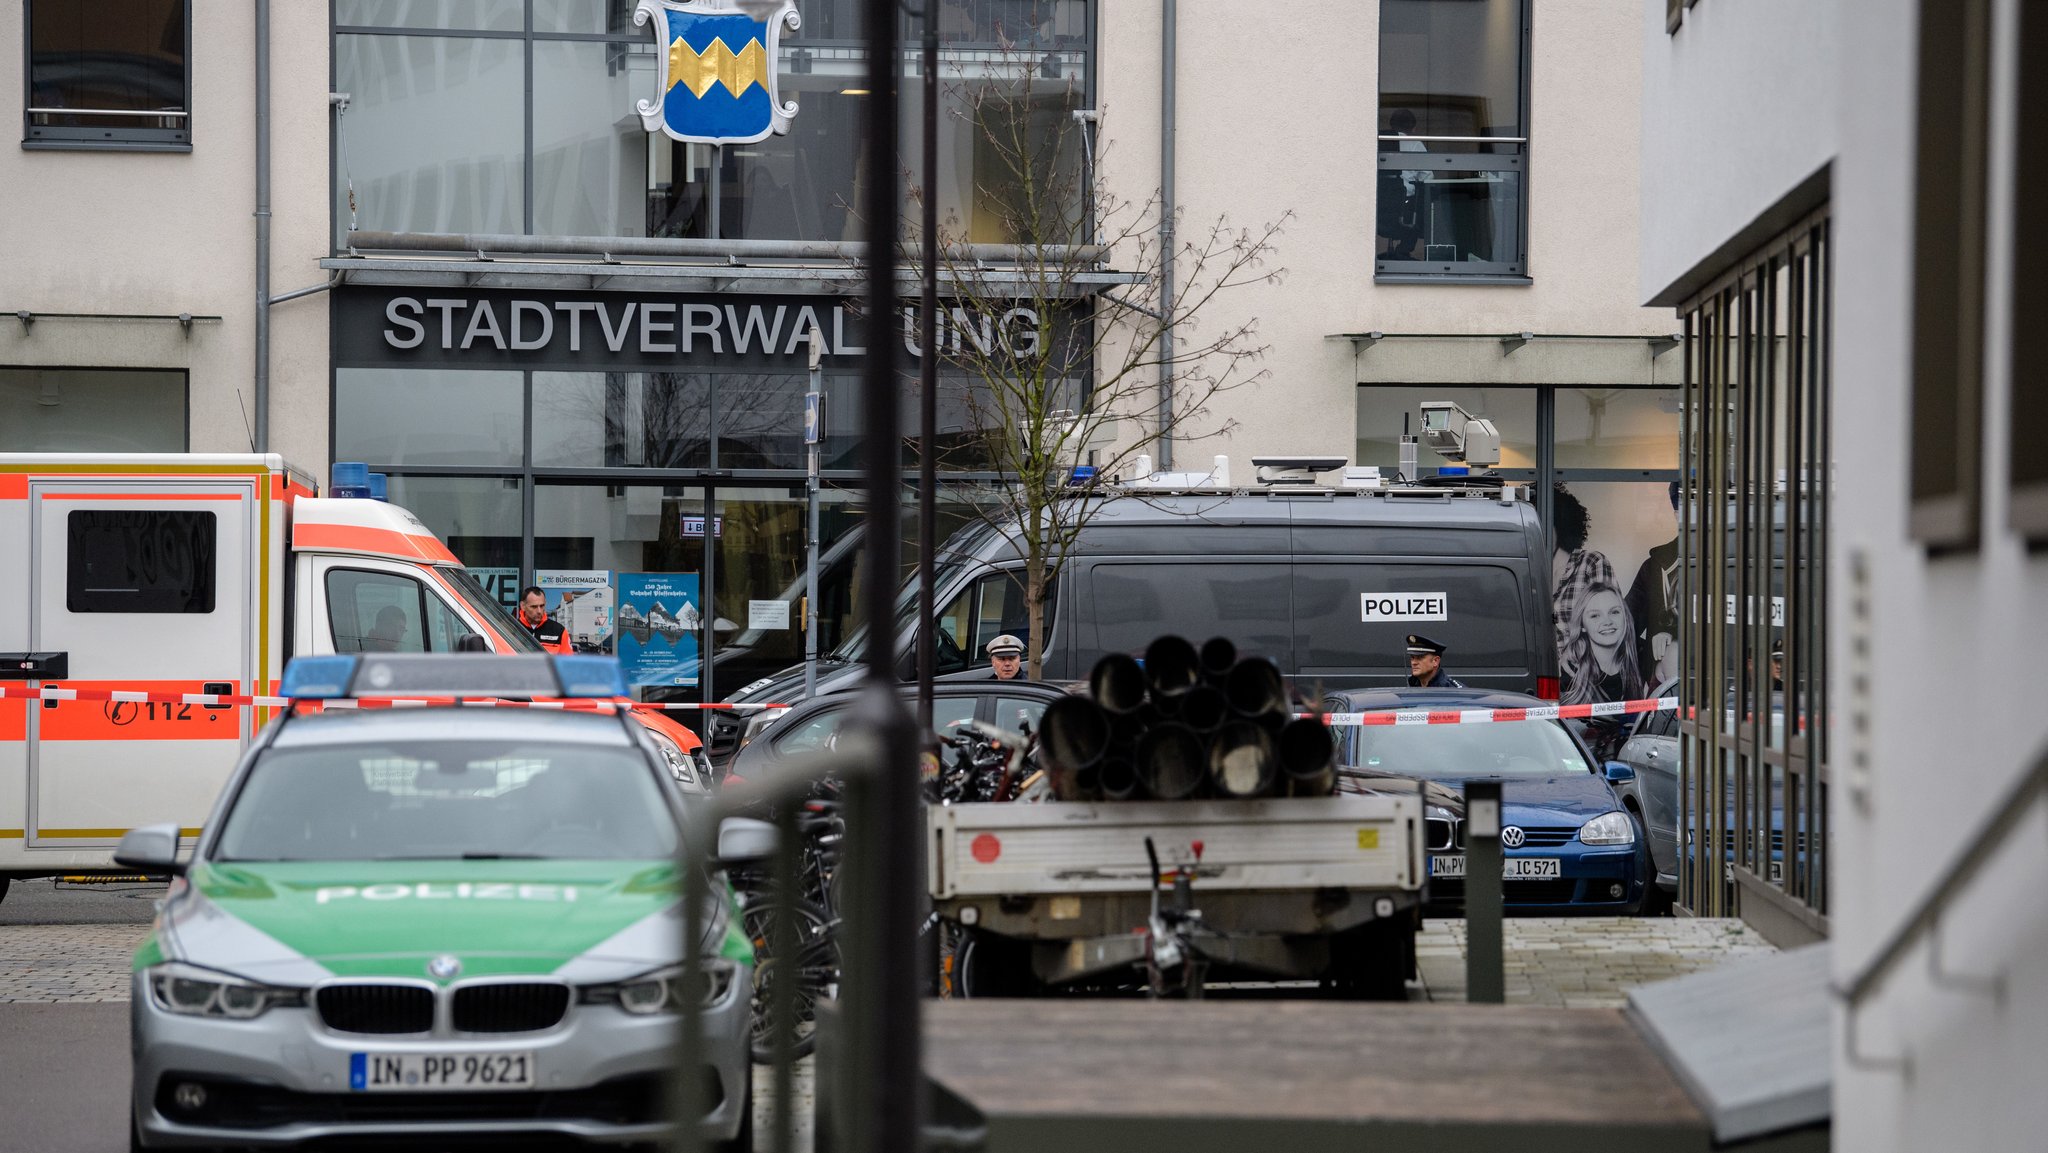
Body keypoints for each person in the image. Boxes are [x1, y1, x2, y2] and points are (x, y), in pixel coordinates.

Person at [1562, 582, 1647, 706]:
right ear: (1582, 626)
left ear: (1626, 618)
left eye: (1614, 612)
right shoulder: (1571, 669)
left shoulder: (1642, 655)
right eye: (1595, 615)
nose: (1607, 621)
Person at [516, 585, 571, 654]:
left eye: (542, 606)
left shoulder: (559, 631)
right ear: (523, 606)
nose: (539, 611)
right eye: (534, 607)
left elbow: (567, 662)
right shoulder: (512, 629)